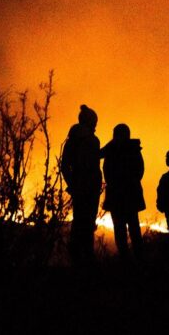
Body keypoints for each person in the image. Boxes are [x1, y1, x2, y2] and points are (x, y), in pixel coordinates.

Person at [61, 105, 102, 264]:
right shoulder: (92, 140)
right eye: (94, 121)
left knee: (79, 223)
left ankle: (79, 259)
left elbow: (65, 166)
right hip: (89, 188)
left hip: (81, 187)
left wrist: (72, 184)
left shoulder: (72, 140)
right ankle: (85, 260)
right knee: (86, 224)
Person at [100, 123, 145, 261]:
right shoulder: (134, 149)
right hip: (131, 195)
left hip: (116, 196)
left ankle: (126, 260)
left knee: (120, 229)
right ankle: (139, 259)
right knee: (133, 228)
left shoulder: (111, 150)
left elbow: (103, 163)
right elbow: (140, 171)